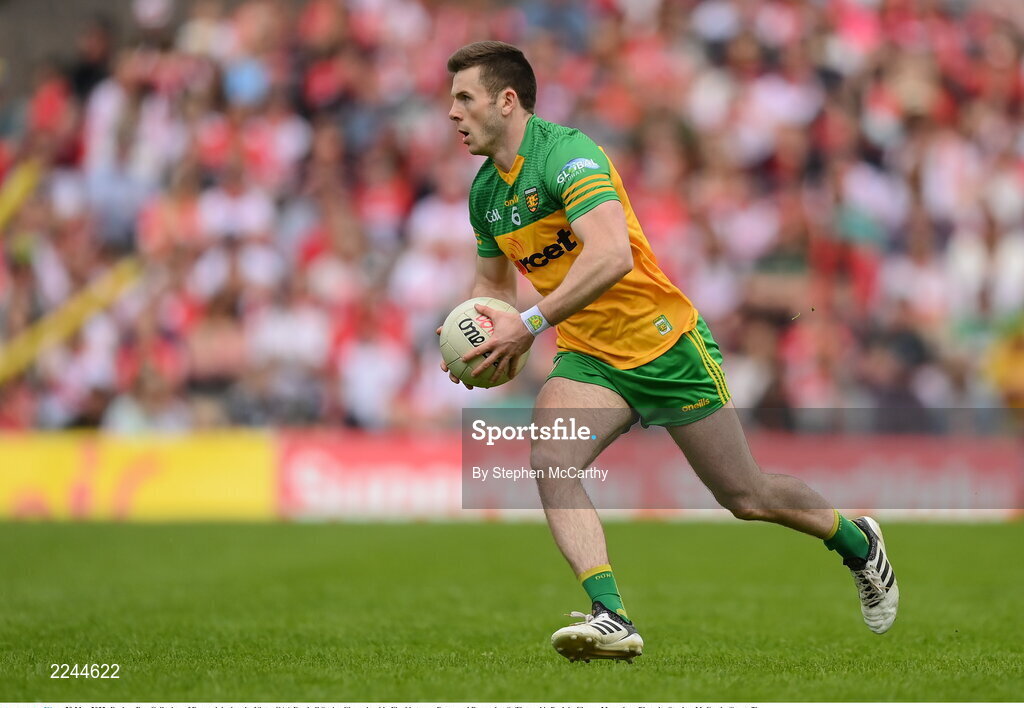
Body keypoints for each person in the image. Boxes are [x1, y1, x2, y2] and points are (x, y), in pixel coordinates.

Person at [439, 41, 899, 663]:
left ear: (507, 100)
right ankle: (611, 615)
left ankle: (855, 540)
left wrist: (527, 322)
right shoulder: (485, 195)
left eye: (465, 98)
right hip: (589, 355)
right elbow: (492, 288)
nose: (453, 113)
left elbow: (611, 256)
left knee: (746, 495)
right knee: (551, 456)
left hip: (664, 341)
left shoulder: (567, 155)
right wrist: (482, 342)